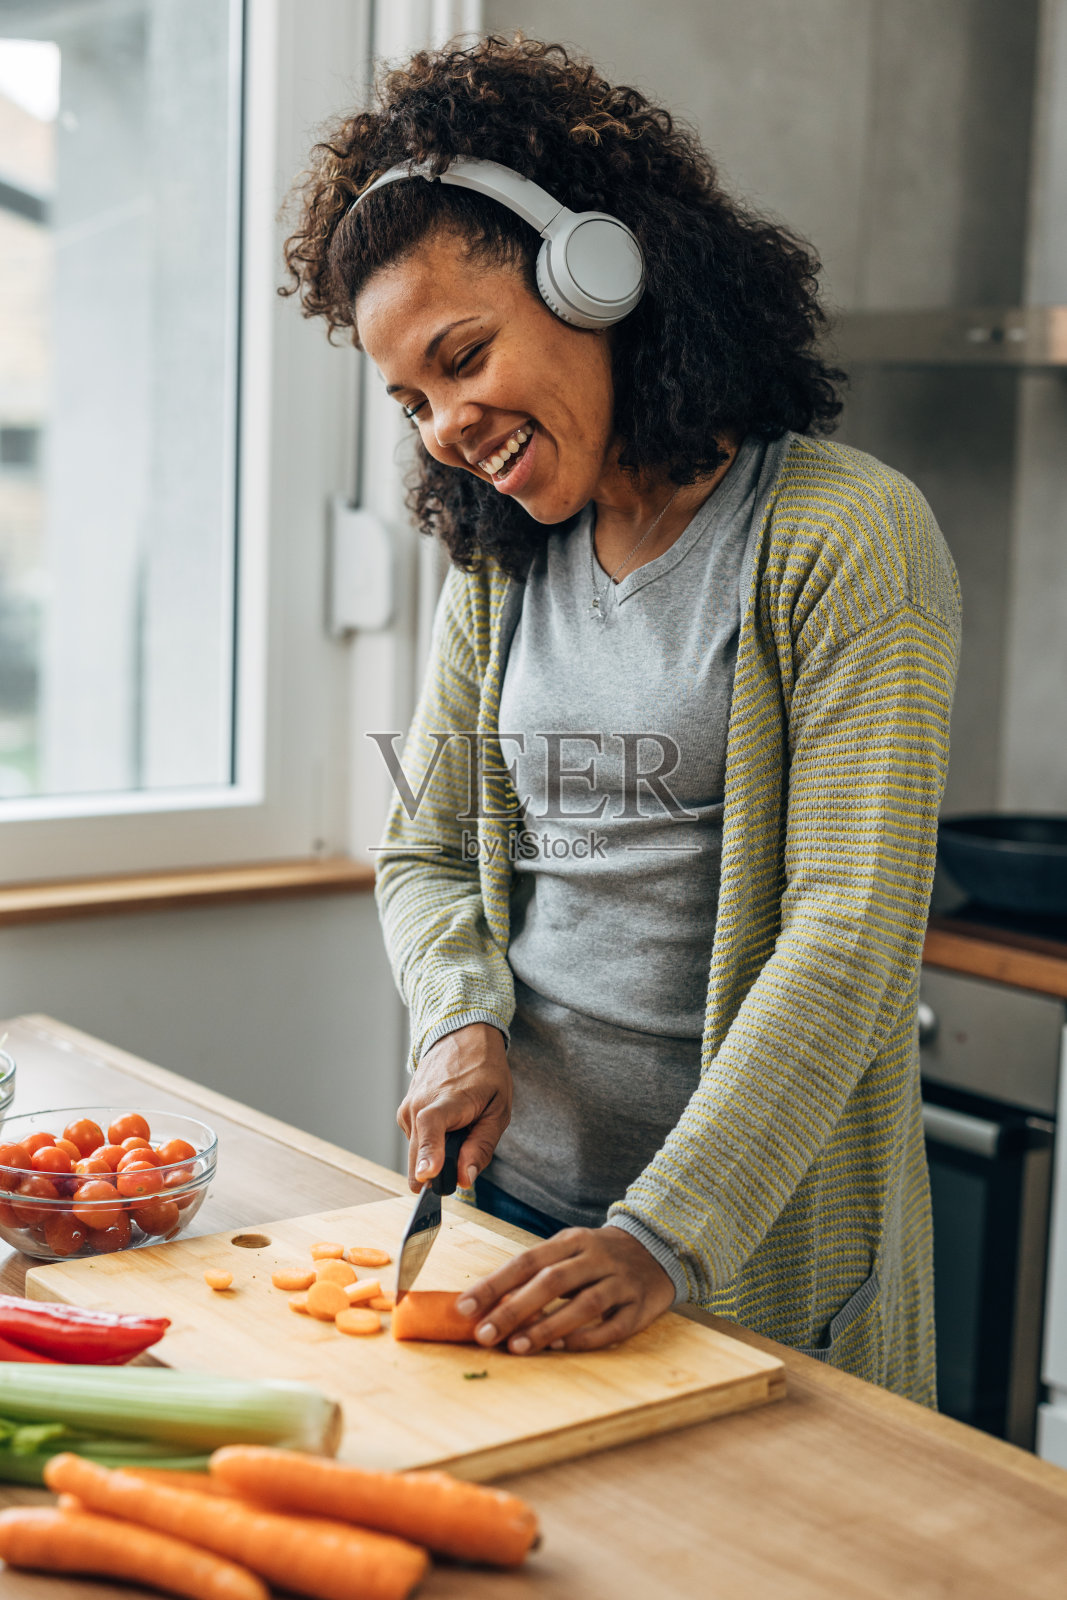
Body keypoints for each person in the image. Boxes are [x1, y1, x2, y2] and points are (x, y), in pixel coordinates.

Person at [283, 36, 960, 1400]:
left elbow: (850, 933)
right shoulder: (500, 562)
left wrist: (665, 1235)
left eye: (463, 357)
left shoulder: (845, 537)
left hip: (733, 1254)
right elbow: (427, 851)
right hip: (509, 1227)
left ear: (602, 276)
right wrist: (457, 1021)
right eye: (412, 397)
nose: (443, 428)